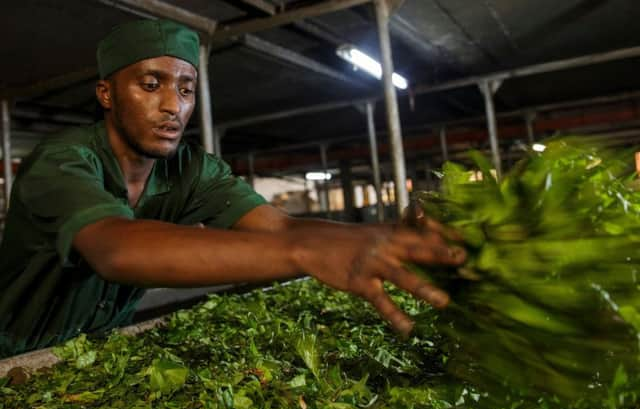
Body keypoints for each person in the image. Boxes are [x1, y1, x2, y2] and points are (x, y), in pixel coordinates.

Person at [0, 20, 465, 357]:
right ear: (106, 94)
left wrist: (383, 237)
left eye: (186, 90)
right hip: (14, 356)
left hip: (97, 354)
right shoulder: (62, 161)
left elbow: (278, 227)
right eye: (150, 84)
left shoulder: (191, 169)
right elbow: (114, 248)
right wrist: (303, 254)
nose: (172, 107)